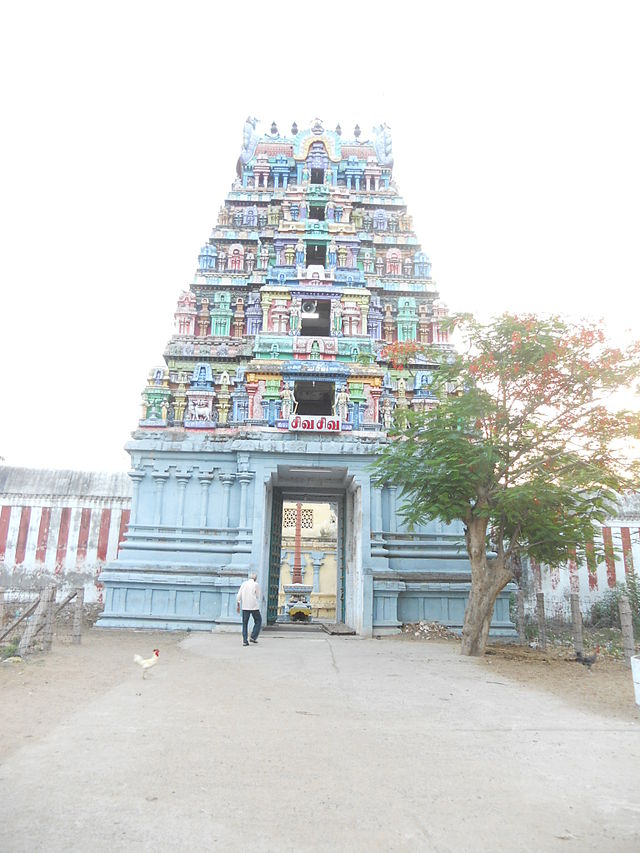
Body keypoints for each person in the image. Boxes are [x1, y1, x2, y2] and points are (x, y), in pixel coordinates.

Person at [236, 573, 262, 646]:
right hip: (254, 606)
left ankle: (245, 640)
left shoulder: (244, 584)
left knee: (245, 624)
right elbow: (258, 595)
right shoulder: (255, 584)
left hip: (245, 606)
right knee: (258, 620)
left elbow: (239, 595)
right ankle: (253, 636)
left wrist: (238, 605)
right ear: (255, 578)